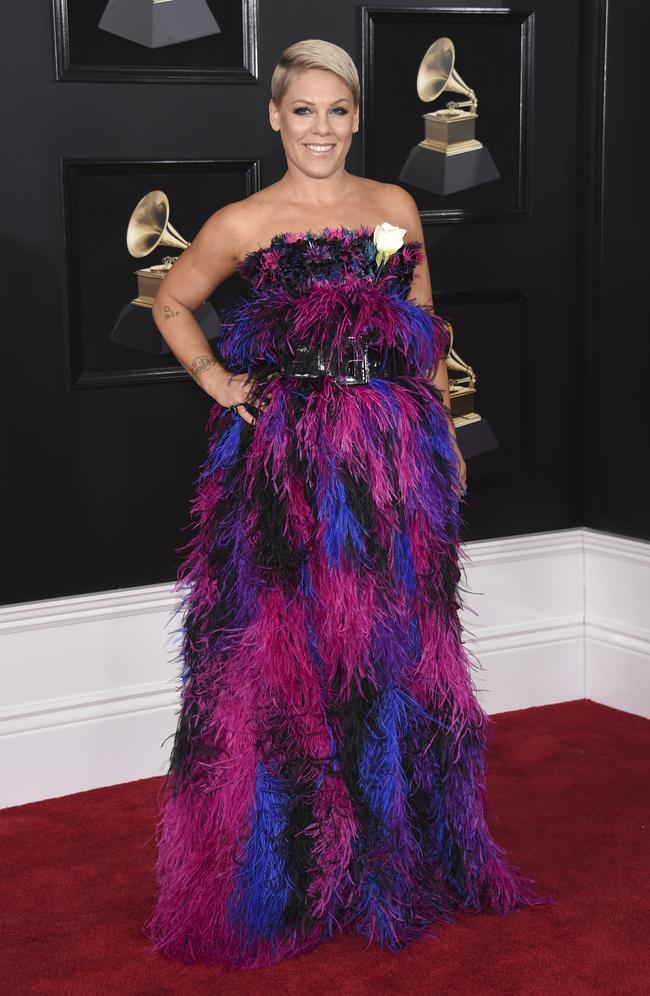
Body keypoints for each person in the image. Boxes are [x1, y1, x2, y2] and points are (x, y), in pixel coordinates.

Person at [143, 38, 551, 970]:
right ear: (275, 118)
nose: (320, 128)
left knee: (394, 649)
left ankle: (393, 858)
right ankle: (291, 873)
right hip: (286, 461)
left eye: (337, 111)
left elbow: (426, 330)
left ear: (357, 118)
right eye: (303, 111)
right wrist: (220, 381)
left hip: (391, 454)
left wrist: (444, 433)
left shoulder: (394, 205)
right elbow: (173, 303)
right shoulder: (245, 219)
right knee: (288, 652)